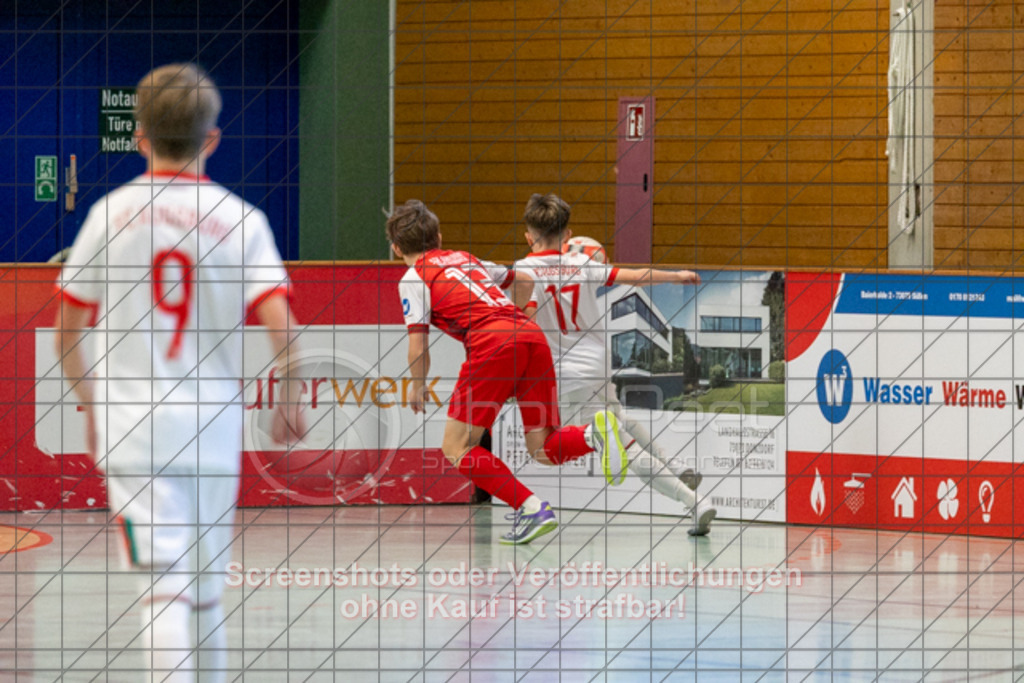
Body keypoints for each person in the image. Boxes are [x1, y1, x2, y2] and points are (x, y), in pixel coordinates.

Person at [55, 63, 304, 682]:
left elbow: (67, 332)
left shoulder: (108, 215)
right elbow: (284, 330)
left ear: (140, 136)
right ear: (212, 138)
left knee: (161, 592)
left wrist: (93, 406)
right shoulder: (243, 220)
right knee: (206, 593)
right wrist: (290, 396)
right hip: (213, 431)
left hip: (134, 430)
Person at [387, 199, 628, 545]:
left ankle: (531, 508)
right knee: (542, 448)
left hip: (491, 344)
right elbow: (524, 280)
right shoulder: (467, 259)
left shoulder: (413, 278)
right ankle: (594, 435)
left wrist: (417, 385)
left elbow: (418, 345)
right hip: (530, 336)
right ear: (439, 237)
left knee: (456, 446)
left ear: (397, 248)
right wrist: (516, 321)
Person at [514, 193, 717, 536]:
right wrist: (675, 275)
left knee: (614, 445)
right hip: (598, 365)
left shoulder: (523, 270)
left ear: (528, 236)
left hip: (564, 375)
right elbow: (634, 275)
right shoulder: (583, 263)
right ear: (568, 235)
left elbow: (526, 324)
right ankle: (676, 465)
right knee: (620, 419)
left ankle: (695, 502)